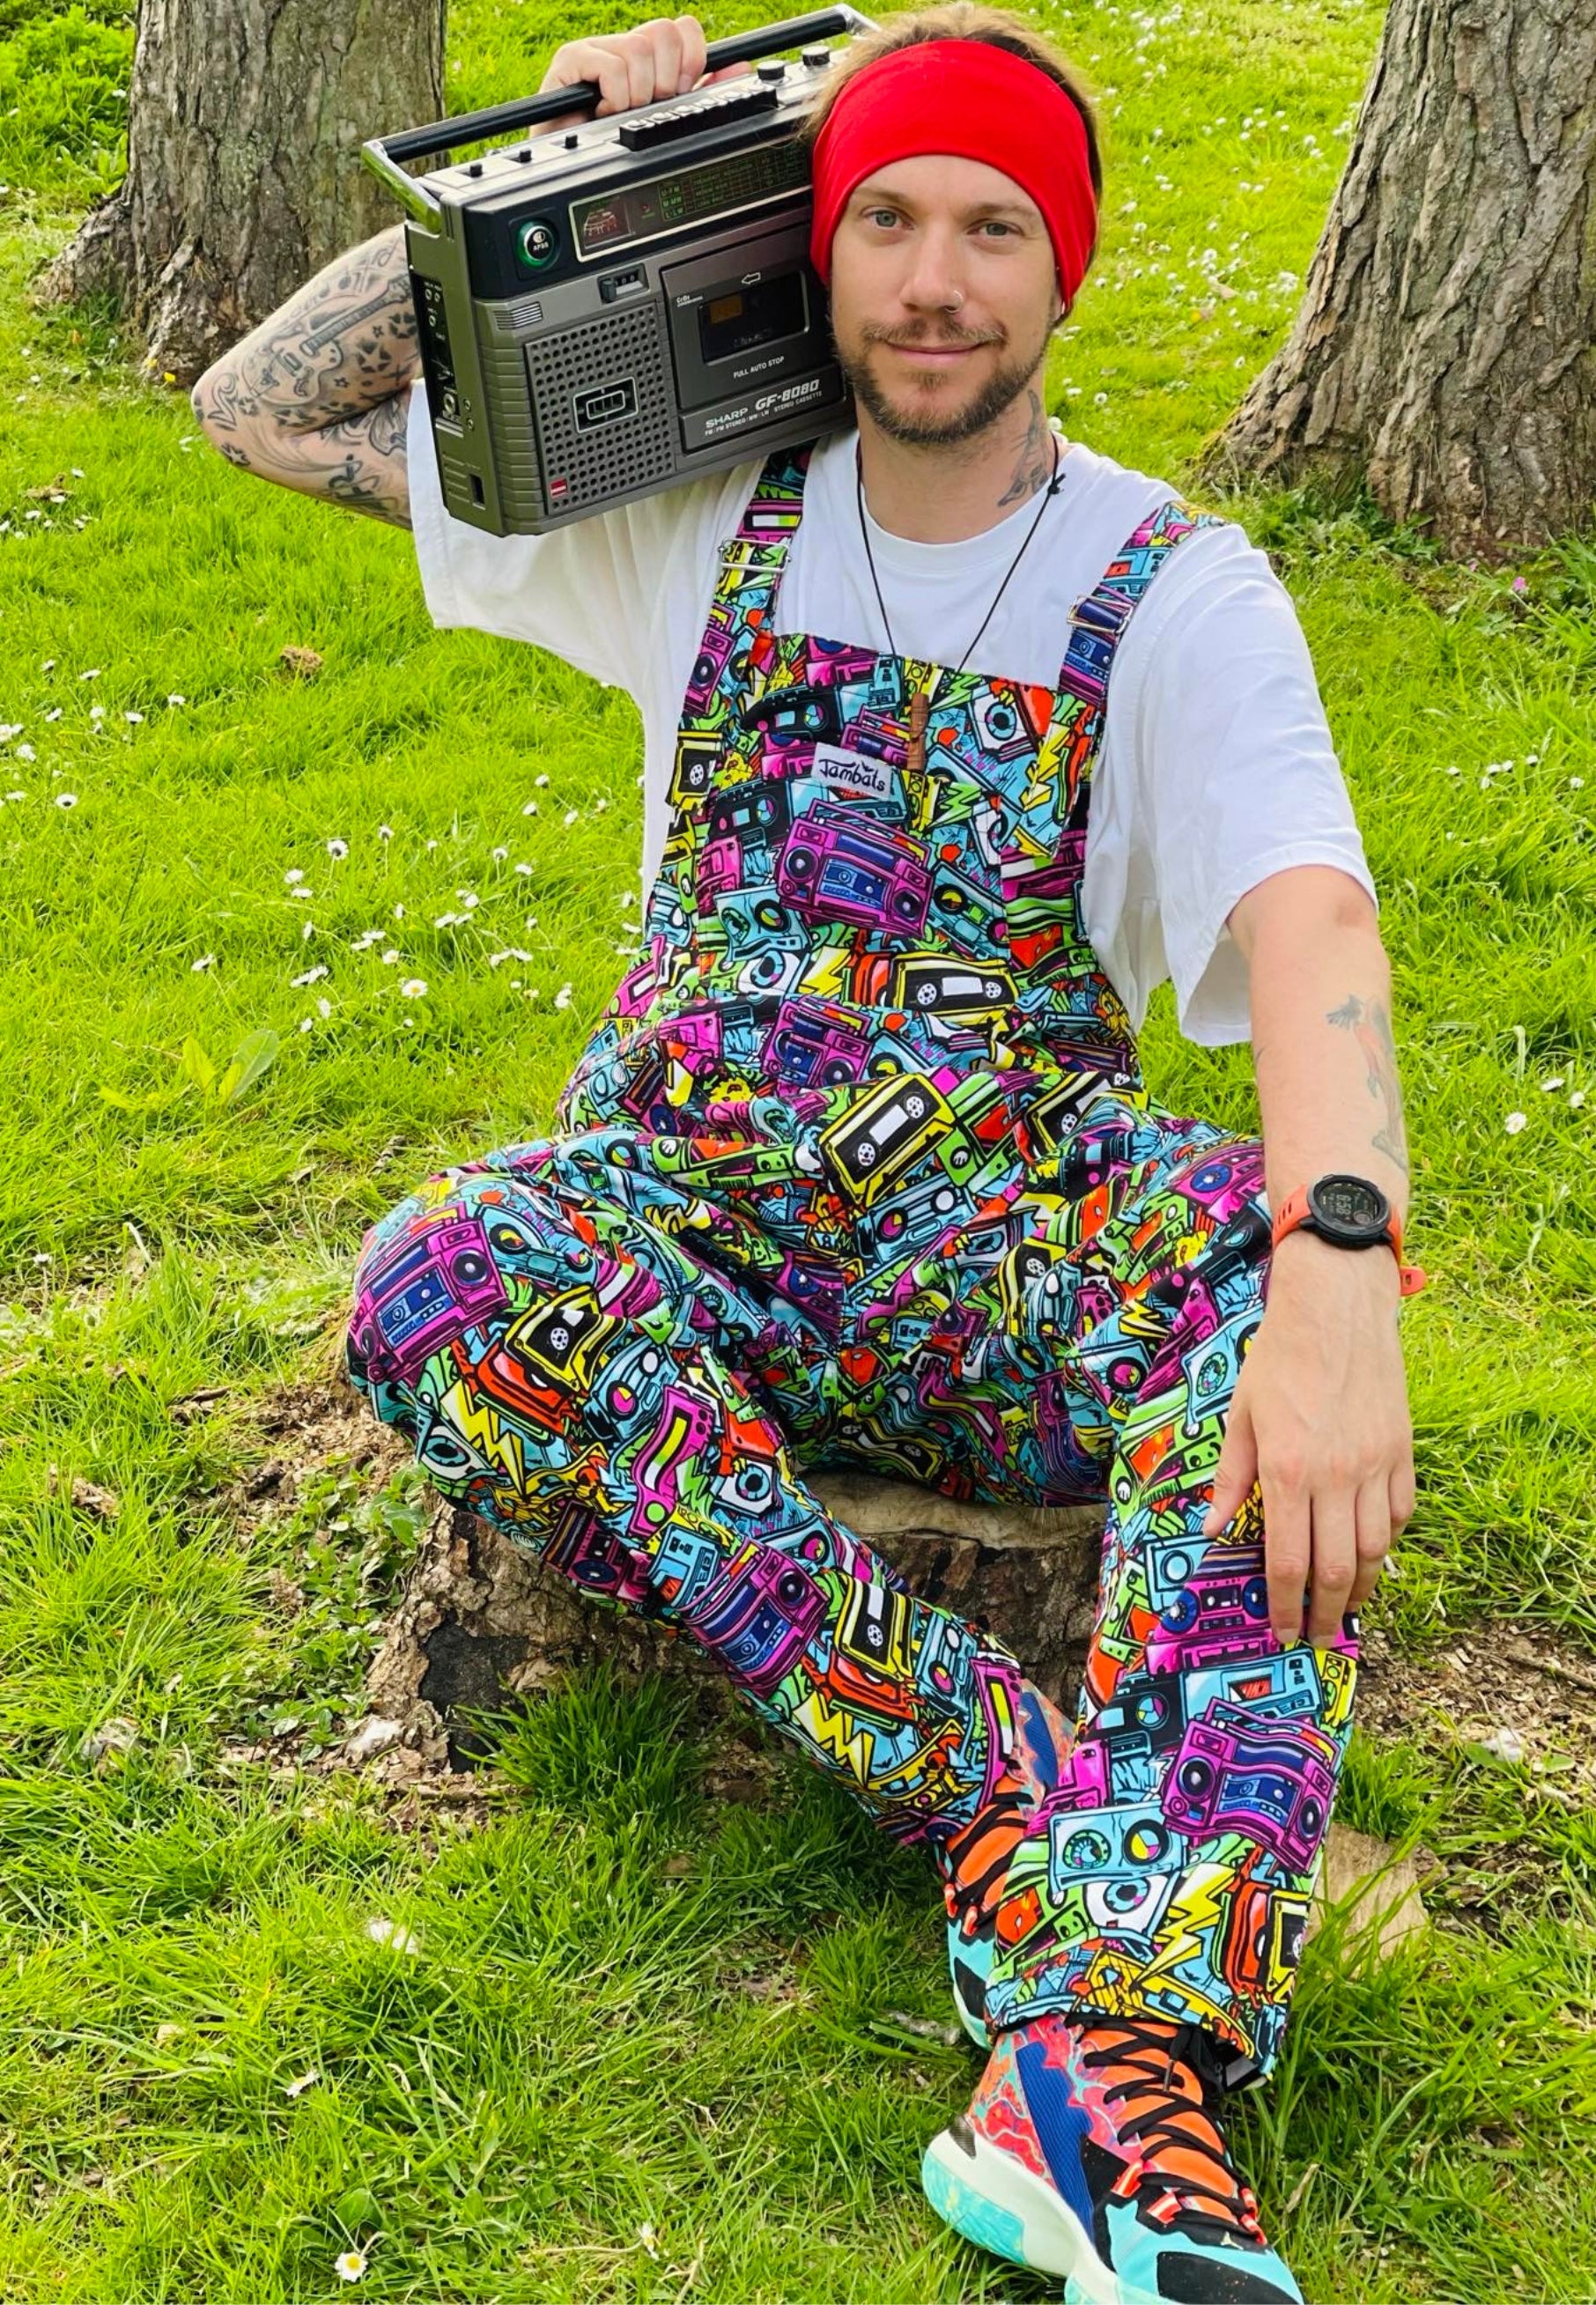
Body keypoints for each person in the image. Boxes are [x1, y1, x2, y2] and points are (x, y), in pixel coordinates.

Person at [192, 10, 1424, 2300]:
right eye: (879, 218)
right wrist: (582, 156)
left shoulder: (1166, 584)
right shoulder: (684, 508)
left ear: (1058, 273)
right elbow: (265, 406)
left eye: (989, 227)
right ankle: (1002, 1777)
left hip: (996, 1235)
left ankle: (1107, 2054)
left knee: (1263, 1312)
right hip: (692, 1219)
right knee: (440, 1270)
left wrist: (1339, 1269)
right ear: (809, 249)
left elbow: (1308, 918)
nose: (933, 278)